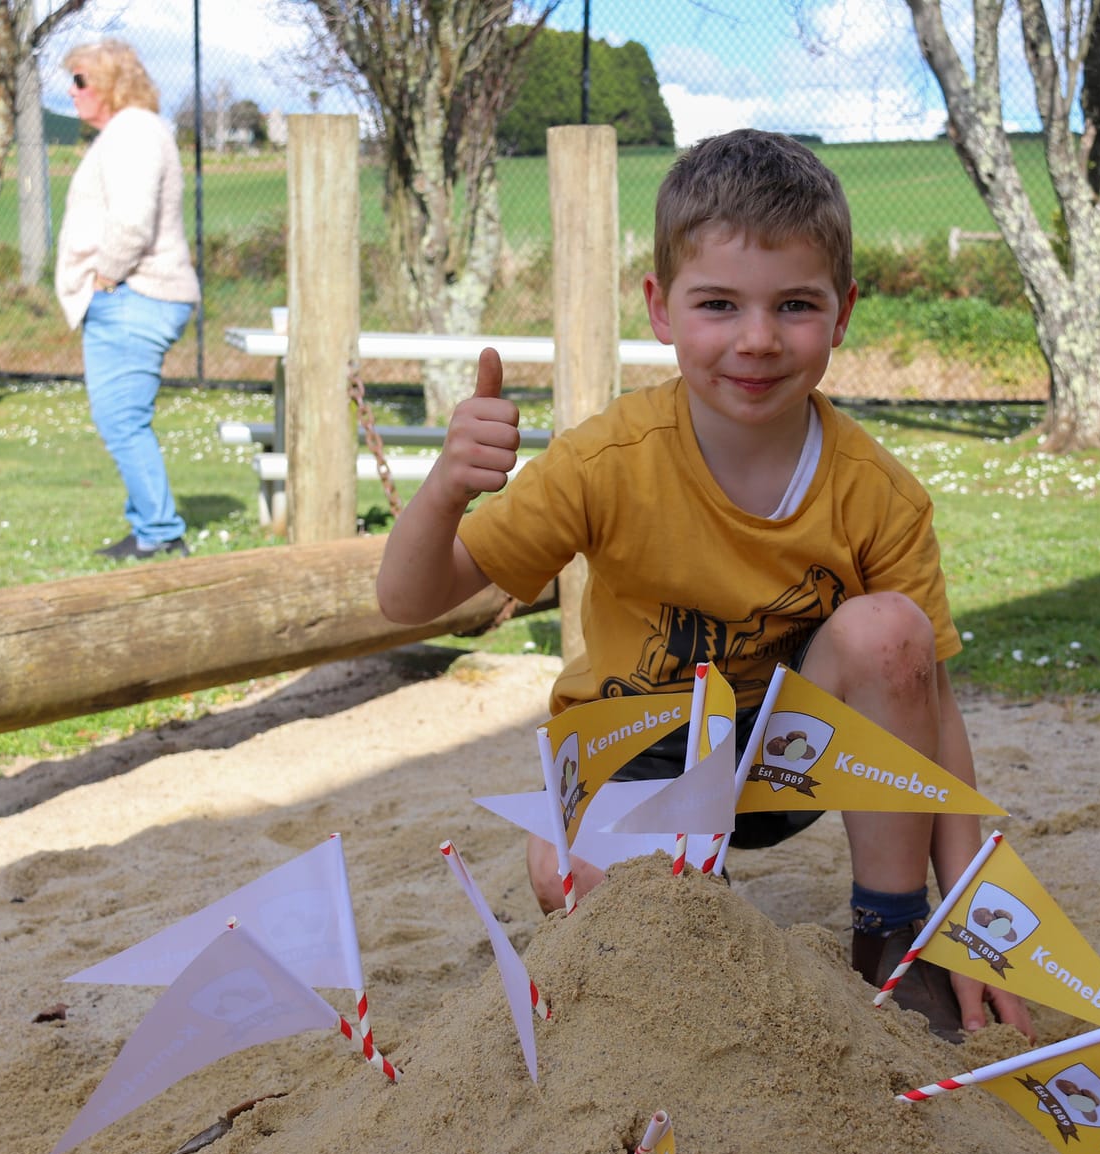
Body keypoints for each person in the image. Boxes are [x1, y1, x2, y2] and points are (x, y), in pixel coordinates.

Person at [376, 130, 1030, 1043]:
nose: (756, 340)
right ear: (660, 307)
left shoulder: (875, 492)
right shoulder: (609, 460)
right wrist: (447, 487)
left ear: (841, 313)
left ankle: (890, 935)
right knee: (566, 869)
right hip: (635, 754)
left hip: (783, 762)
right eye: (718, 303)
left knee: (892, 631)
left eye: (794, 305)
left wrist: (968, 917)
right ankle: (692, 901)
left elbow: (933, 713)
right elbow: (410, 600)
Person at [55, 40, 201, 561]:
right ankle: (149, 527)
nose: (70, 92)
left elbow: (133, 223)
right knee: (123, 418)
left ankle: (160, 532)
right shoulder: (133, 131)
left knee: (121, 420)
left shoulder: (134, 131)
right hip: (132, 296)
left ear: (111, 83)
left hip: (131, 296)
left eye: (79, 80)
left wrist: (103, 278)